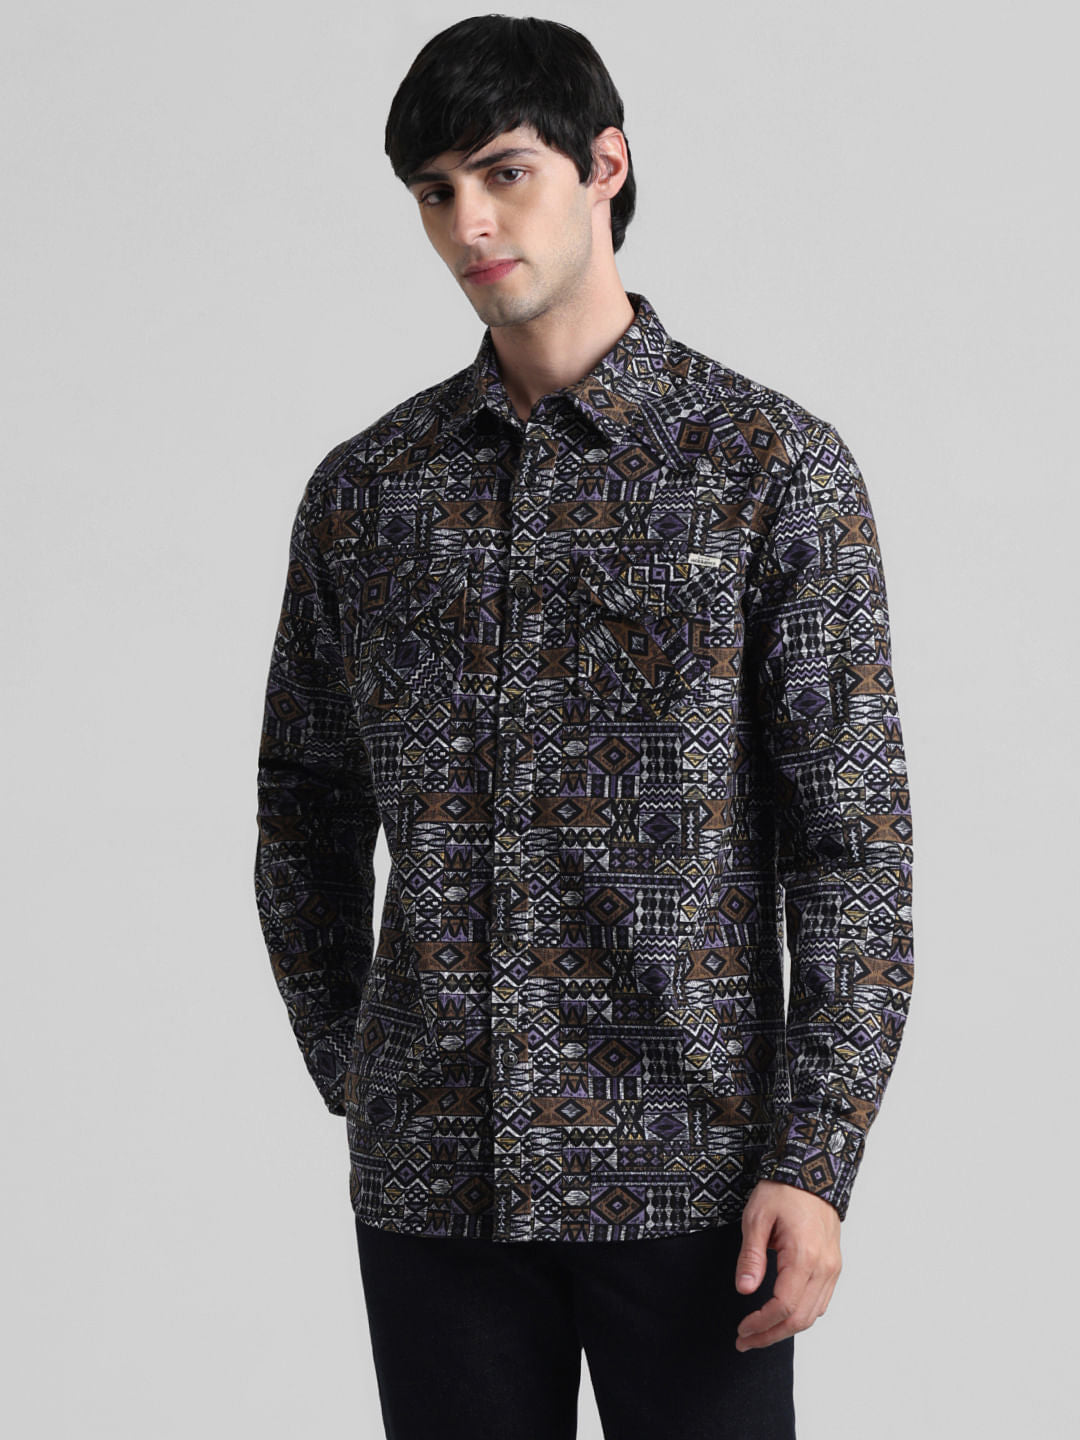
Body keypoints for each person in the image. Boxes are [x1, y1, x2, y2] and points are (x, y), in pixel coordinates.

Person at [253, 14, 915, 1439]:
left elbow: (851, 846)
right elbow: (304, 799)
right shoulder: (366, 494)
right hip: (437, 1186)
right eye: (434, 191)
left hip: (695, 1179)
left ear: (605, 164)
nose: (469, 225)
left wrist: (817, 1155)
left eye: (504, 173)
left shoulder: (770, 471)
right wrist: (361, 1063)